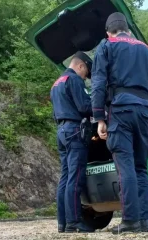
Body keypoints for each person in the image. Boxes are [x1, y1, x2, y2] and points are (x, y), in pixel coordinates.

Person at [90, 12, 148, 234]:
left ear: (108, 32)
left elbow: (99, 83)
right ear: (128, 31)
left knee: (126, 167)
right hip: (145, 112)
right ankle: (146, 220)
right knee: (141, 168)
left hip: (121, 111)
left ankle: (130, 221)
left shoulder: (107, 46)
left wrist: (99, 117)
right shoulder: (147, 50)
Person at [50, 51, 95, 233]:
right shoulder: (74, 80)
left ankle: (63, 223)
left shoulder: (56, 83)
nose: (85, 78)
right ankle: (74, 222)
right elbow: (84, 107)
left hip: (61, 131)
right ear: (80, 66)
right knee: (75, 178)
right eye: (86, 73)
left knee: (65, 177)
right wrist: (100, 107)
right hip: (74, 131)